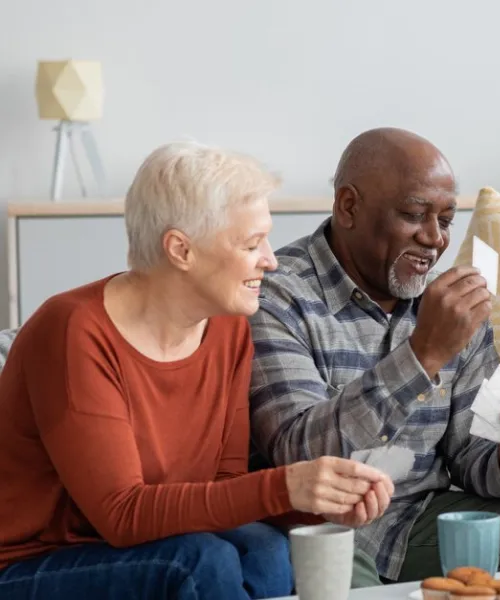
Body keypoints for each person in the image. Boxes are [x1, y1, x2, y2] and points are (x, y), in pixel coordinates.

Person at [0, 141, 393, 600]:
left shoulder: (228, 329)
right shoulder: (73, 330)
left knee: (268, 552)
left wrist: (318, 503)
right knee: (200, 563)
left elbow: (219, 491)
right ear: (180, 250)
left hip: (147, 543)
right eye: (251, 244)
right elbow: (121, 514)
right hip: (30, 562)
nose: (271, 259)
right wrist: (287, 486)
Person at [248, 127, 500, 585]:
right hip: (320, 526)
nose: (435, 239)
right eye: (415, 214)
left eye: (446, 220)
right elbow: (297, 456)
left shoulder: (448, 304)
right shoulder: (278, 297)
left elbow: (470, 452)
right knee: (333, 570)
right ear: (349, 206)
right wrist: (423, 355)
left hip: (417, 521)